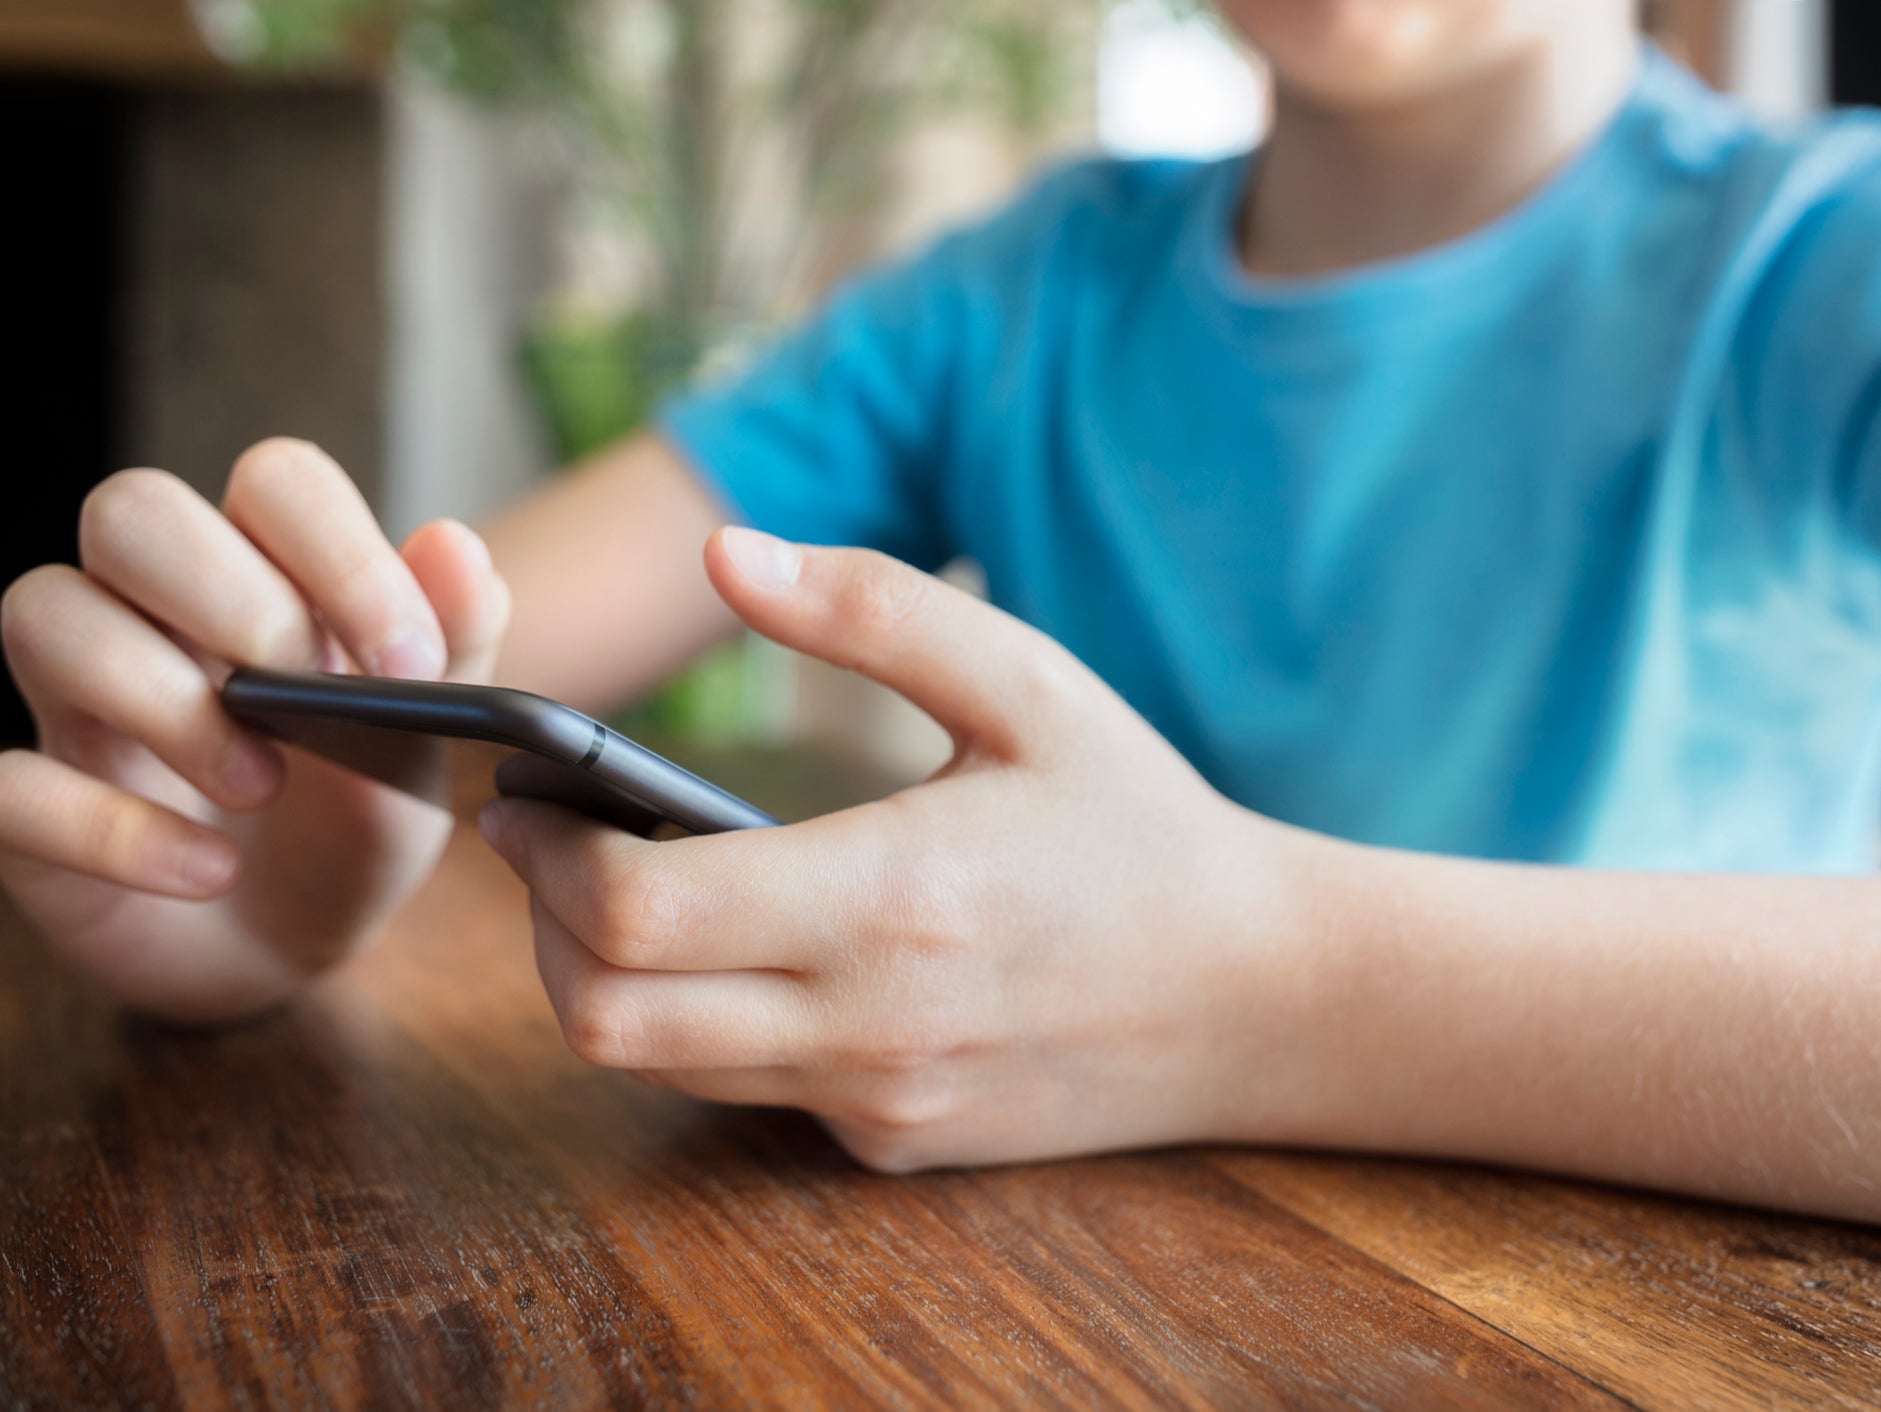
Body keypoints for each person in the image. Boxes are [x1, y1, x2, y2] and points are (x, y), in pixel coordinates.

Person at [4, 0, 1881, 1220]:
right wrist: (255, 845)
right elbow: (450, 657)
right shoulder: (1018, 295)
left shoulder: (1822, 265)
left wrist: (1264, 986)